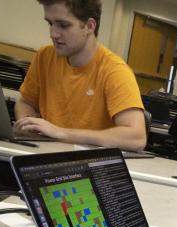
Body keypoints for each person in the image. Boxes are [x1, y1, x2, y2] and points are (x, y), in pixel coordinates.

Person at [14, 0, 146, 152]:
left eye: (63, 25)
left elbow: (136, 138)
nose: (53, 34)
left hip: (89, 165)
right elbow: (25, 102)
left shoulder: (115, 71)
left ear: (89, 26)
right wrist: (29, 125)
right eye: (50, 23)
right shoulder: (44, 57)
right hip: (43, 155)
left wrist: (61, 133)